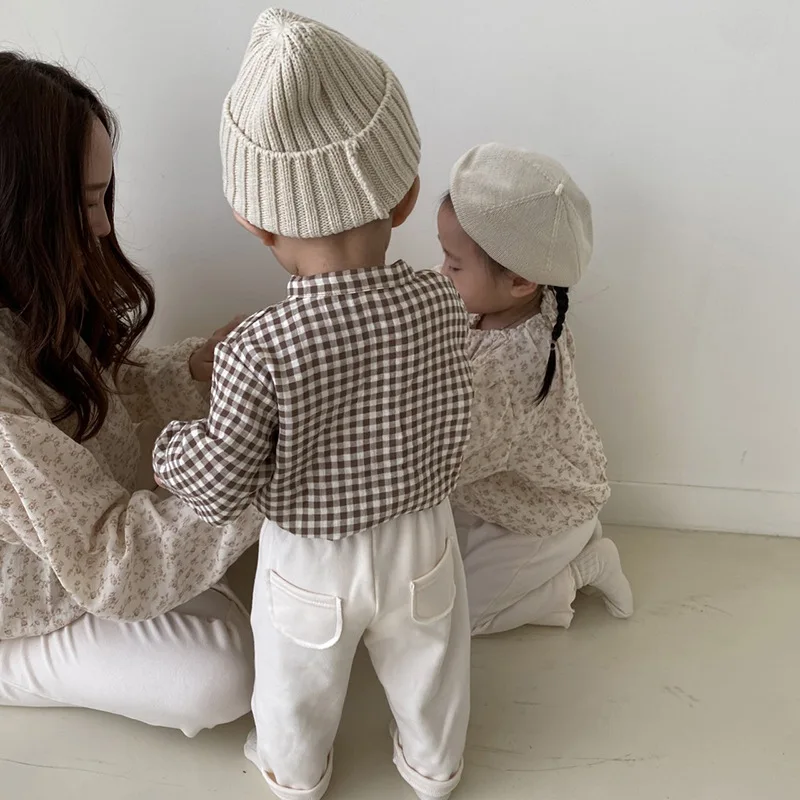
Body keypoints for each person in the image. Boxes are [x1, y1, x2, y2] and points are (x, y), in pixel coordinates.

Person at [153, 9, 473, 800]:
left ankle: (294, 773)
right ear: (406, 196)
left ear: (253, 222)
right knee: (432, 663)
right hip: (423, 534)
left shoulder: (260, 346)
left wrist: (169, 448)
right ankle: (434, 767)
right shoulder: (442, 302)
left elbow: (220, 484)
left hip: (313, 561)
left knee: (296, 682)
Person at [0, 53, 262, 736]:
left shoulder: (24, 300)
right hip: (32, 592)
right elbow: (112, 561)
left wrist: (199, 368)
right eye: (87, 201)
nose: (102, 226)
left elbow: (96, 393)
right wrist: (272, 470)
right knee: (221, 673)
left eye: (103, 198)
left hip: (80, 544)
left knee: (224, 593)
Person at [438, 143, 634, 635]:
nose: (442, 272)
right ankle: (565, 555)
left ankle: (583, 567)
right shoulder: (531, 301)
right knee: (435, 578)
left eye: (454, 264)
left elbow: (448, 457)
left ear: (521, 281)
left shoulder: (509, 369)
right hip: (503, 495)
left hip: (540, 518)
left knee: (457, 622)